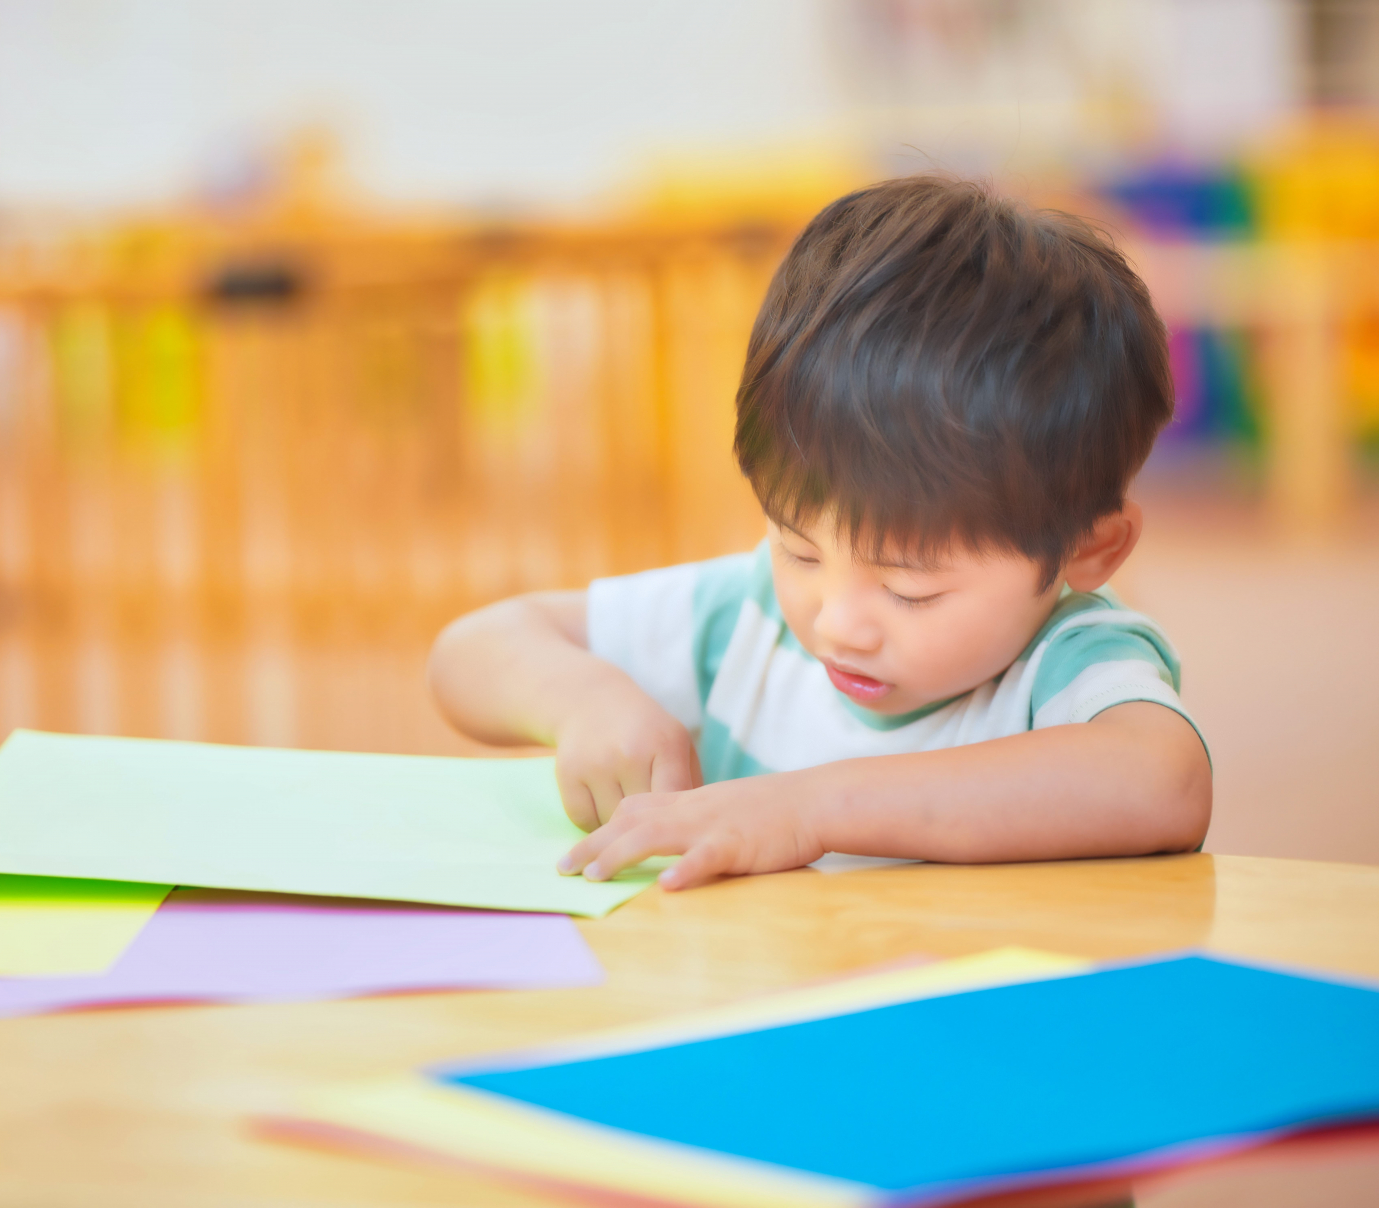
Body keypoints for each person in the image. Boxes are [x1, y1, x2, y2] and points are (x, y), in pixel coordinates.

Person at [427, 175, 1212, 892]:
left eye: (911, 588)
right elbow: (472, 648)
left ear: (1089, 549)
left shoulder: (1066, 663)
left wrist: (807, 809)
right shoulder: (746, 618)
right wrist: (584, 702)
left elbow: (1162, 783)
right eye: (799, 547)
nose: (834, 622)